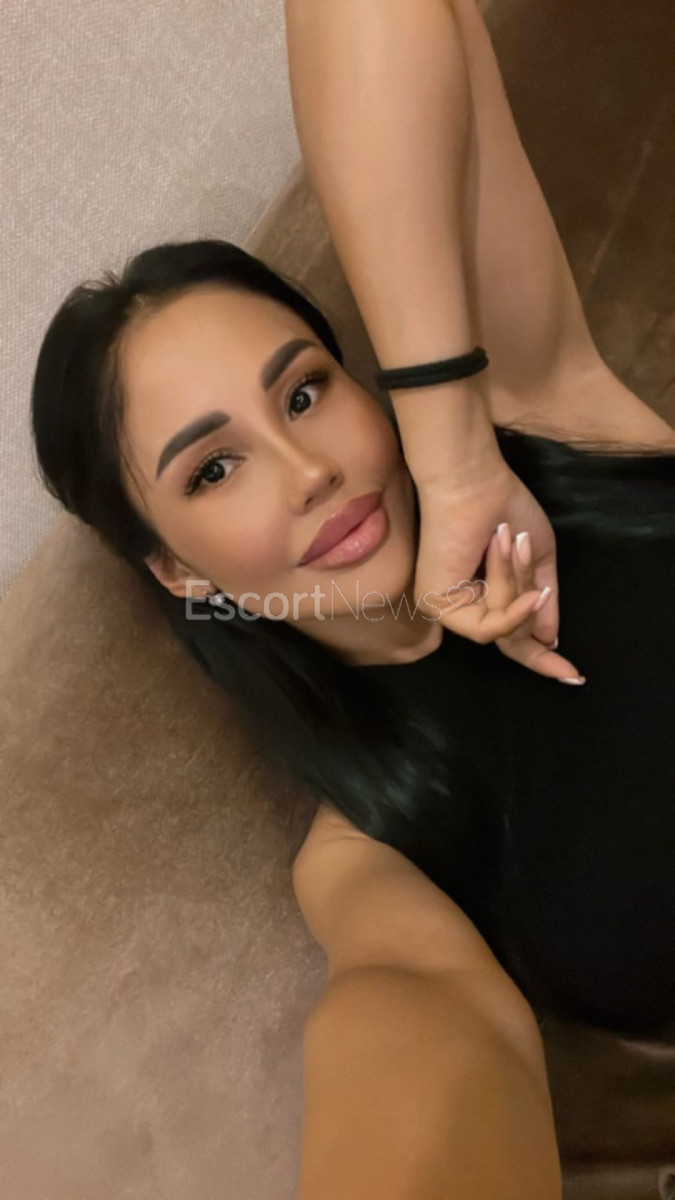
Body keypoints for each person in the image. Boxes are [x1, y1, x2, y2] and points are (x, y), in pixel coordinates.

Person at [29, 0, 675, 1194]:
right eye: (213, 469)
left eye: (305, 392)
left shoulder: (550, 422)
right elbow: (418, 1040)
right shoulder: (372, 849)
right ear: (178, 571)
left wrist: (458, 456)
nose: (308, 469)